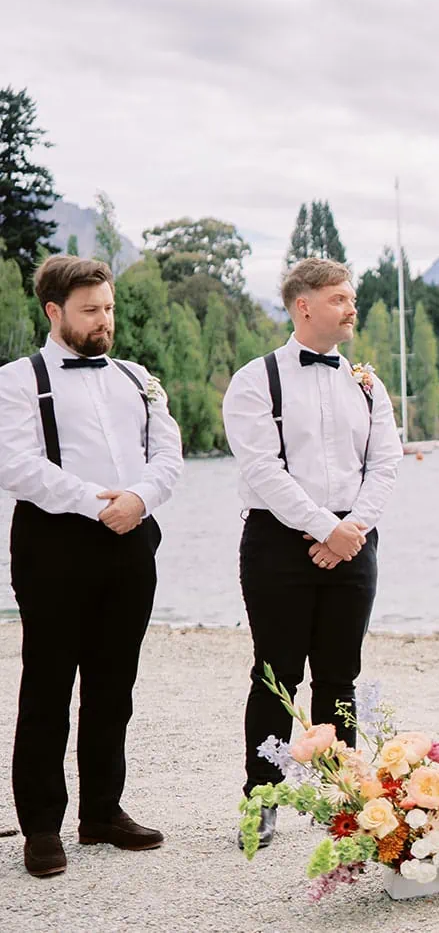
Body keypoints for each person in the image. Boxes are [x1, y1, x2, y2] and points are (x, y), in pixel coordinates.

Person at [0, 255, 183, 878]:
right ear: (54, 312)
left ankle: (103, 811)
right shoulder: (18, 380)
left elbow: (168, 453)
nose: (104, 321)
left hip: (133, 538)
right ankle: (42, 826)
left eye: (108, 308)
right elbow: (16, 464)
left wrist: (140, 499)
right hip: (54, 543)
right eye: (90, 311)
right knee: (48, 684)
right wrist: (93, 503)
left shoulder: (136, 377)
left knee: (114, 684)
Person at [222, 257, 403, 848]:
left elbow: (385, 462)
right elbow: (263, 470)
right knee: (275, 675)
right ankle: (263, 798)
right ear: (304, 305)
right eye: (341, 299)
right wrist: (326, 527)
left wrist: (352, 528)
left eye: (351, 299)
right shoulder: (256, 380)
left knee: (341, 675)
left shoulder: (365, 382)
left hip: (355, 541)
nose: (353, 309)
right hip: (278, 542)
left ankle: (343, 796)